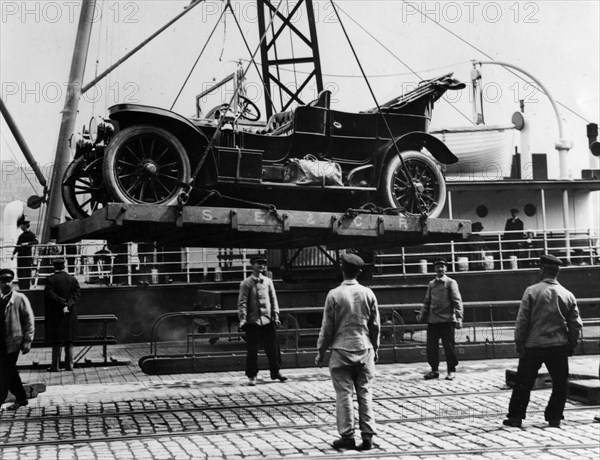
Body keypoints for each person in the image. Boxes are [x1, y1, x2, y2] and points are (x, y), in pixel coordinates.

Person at [503, 254, 583, 428]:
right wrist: (571, 343)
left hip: (533, 345)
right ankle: (554, 417)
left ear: (543, 270)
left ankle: (516, 417)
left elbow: (522, 321)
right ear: (557, 272)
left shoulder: (531, 291)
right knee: (560, 383)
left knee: (523, 382)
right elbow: (576, 324)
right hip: (559, 345)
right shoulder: (568, 295)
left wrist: (519, 343)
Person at [315, 253, 380, 451]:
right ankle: (368, 437)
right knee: (365, 392)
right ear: (359, 272)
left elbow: (327, 328)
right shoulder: (368, 293)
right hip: (364, 348)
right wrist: (375, 348)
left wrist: (321, 351)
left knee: (343, 394)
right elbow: (375, 325)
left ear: (341, 269)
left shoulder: (334, 294)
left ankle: (347, 436)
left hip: (341, 351)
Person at [237, 255, 286, 386]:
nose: (261, 266)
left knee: (273, 349)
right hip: (253, 322)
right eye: (258, 263)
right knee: (252, 351)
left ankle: (275, 372)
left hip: (268, 320)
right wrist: (242, 319)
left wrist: (275, 316)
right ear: (252, 265)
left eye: (263, 263)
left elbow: (273, 299)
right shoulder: (246, 283)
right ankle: (252, 375)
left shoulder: (268, 282)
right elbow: (242, 303)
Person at [418, 258, 463, 381]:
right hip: (433, 321)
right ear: (435, 269)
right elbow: (427, 301)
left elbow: (457, 301)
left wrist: (459, 318)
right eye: (438, 267)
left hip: (447, 320)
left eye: (442, 266)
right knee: (431, 347)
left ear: (445, 268)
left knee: (449, 347)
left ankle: (451, 370)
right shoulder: (431, 284)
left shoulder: (450, 283)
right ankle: (434, 370)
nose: (440, 269)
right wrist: (423, 315)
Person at [0, 268, 35, 411]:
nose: (6, 284)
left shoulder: (20, 299)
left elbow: (29, 320)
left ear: (12, 282)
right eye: (3, 281)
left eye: (9, 281)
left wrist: (27, 341)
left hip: (13, 342)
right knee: (10, 372)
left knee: (4, 373)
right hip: (0, 342)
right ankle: (21, 398)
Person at [44, 258, 81, 372]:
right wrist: (68, 304)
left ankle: (55, 366)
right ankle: (69, 365)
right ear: (64, 266)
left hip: (56, 314)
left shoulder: (50, 280)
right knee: (69, 340)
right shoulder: (73, 279)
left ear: (54, 267)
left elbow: (50, 294)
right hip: (69, 313)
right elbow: (76, 294)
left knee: (56, 340)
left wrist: (62, 303)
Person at [11, 218, 38, 290]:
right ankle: (21, 287)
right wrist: (13, 254)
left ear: (26, 226)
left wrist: (28, 243)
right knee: (20, 272)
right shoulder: (21, 236)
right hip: (20, 257)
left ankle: (26, 287)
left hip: (27, 257)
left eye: (22, 225)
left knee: (26, 272)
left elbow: (36, 242)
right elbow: (17, 245)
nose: (20, 227)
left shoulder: (31, 235)